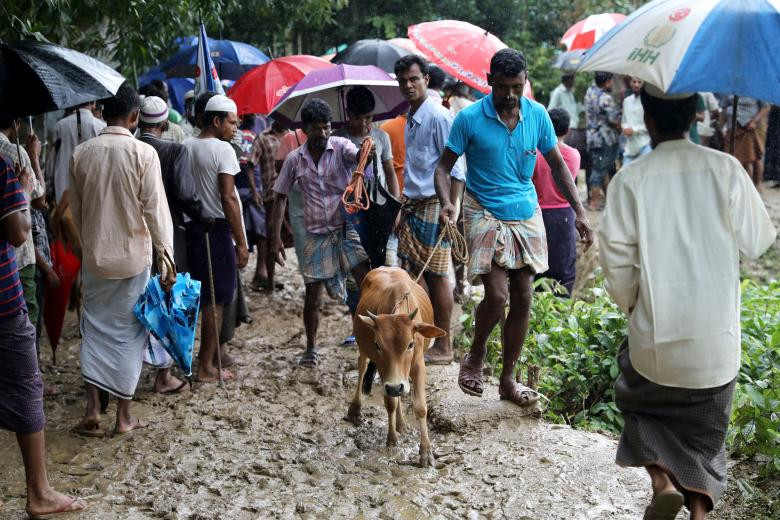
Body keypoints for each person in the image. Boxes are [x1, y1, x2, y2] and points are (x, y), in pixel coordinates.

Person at [600, 84, 776, 520]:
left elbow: (618, 268)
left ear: (649, 120)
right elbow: (759, 241)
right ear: (696, 116)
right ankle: (698, 511)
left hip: (656, 346)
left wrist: (633, 308)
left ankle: (661, 479)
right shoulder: (726, 168)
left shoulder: (628, 181)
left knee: (637, 402)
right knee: (706, 438)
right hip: (716, 350)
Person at [434, 48, 592, 405]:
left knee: (524, 294)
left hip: (525, 210)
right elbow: (443, 168)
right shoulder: (469, 118)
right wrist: (447, 202)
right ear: (489, 81)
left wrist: (580, 211)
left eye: (517, 87)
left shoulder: (537, 116)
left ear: (525, 83)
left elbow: (557, 165)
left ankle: (507, 380)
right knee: (498, 295)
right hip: (482, 209)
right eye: (503, 86)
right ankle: (474, 355)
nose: (509, 95)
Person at [69, 85, 175, 436]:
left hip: (95, 258)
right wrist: (167, 260)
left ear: (100, 111)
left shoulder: (81, 154)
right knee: (131, 336)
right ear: (134, 117)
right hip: (133, 259)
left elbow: (78, 213)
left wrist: (87, 252)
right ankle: (122, 418)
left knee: (95, 333)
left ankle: (91, 411)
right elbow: (156, 213)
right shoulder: (143, 154)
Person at [0, 154, 87, 518]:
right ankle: (38, 491)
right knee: (25, 389)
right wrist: (20, 189)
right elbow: (18, 232)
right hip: (2, 302)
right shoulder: (1, 165)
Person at [270, 99, 371, 367]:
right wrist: (275, 237)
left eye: (327, 127)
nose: (323, 133)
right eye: (317, 129)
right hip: (316, 234)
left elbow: (359, 156)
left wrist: (366, 152)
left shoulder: (341, 147)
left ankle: (370, 337)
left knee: (365, 282)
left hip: (347, 228)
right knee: (313, 294)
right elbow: (279, 197)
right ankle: (311, 348)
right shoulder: (294, 159)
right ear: (305, 129)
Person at [394, 54, 465, 365]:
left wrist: (452, 207)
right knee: (412, 275)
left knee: (437, 276)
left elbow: (457, 169)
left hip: (435, 206)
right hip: (413, 205)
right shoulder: (412, 117)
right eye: (403, 81)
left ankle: (445, 345)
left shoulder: (438, 117)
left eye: (414, 79)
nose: (409, 85)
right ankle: (422, 336)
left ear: (425, 79)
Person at [138, 95, 210, 394]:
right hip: (168, 236)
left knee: (140, 298)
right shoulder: (173, 150)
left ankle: (131, 369)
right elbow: (185, 195)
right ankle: (164, 374)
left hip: (134, 238)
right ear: (166, 123)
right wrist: (206, 218)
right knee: (168, 300)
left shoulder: (132, 148)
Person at [183, 93, 248, 383]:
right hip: (216, 231)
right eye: (232, 123)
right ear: (217, 120)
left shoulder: (184, 146)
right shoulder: (223, 151)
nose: (235, 128)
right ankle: (206, 367)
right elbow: (228, 197)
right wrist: (242, 241)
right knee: (215, 302)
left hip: (192, 230)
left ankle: (203, 360)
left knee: (203, 298)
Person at [532, 108, 581, 295]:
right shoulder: (574, 155)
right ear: (568, 130)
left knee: (538, 268)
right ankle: (561, 313)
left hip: (538, 214)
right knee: (564, 270)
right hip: (564, 216)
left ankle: (538, 312)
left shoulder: (535, 153)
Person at [248, 120, 288, 291]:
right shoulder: (263, 138)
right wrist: (254, 190)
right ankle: (270, 281)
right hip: (271, 195)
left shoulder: (292, 135)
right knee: (272, 236)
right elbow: (251, 164)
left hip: (293, 193)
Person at [46, 101, 106, 202]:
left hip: (63, 199)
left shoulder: (60, 126)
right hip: (93, 197)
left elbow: (50, 169)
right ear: (94, 103)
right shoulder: (102, 127)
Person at [235, 113, 269, 290]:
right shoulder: (234, 125)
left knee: (261, 228)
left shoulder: (261, 123)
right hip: (237, 183)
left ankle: (261, 269)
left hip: (256, 183)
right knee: (240, 227)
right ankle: (240, 270)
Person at [584, 71, 620, 210]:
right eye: (611, 81)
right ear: (606, 82)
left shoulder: (590, 92)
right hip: (605, 139)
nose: (612, 84)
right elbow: (613, 119)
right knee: (599, 170)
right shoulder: (605, 98)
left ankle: (608, 201)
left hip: (592, 138)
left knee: (603, 167)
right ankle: (594, 203)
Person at [723, 96, 770, 189]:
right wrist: (722, 126)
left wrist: (754, 121)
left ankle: (751, 187)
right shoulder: (730, 87)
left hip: (749, 127)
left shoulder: (756, 87)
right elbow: (724, 107)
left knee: (749, 159)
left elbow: (766, 107)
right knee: (731, 157)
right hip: (732, 126)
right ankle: (735, 186)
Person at [620, 77, 651, 166]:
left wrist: (634, 130)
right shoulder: (627, 101)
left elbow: (651, 124)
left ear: (643, 84)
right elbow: (624, 121)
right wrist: (625, 129)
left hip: (645, 144)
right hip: (630, 147)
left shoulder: (648, 101)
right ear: (631, 83)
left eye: (639, 82)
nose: (636, 85)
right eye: (634, 82)